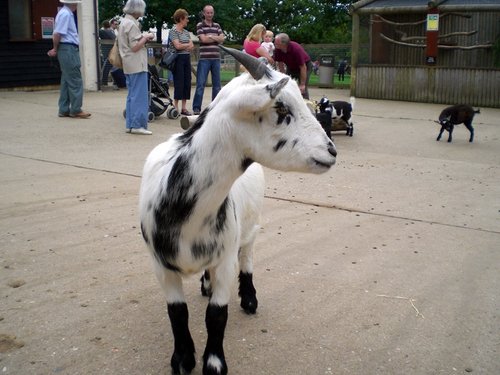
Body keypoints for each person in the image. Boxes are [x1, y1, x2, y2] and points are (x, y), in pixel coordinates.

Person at [47, 0, 90, 119]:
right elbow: (57, 34)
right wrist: (55, 49)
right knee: (75, 79)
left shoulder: (64, 13)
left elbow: (57, 34)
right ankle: (76, 109)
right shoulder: (66, 14)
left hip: (65, 48)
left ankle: (64, 109)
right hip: (68, 48)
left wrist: (56, 48)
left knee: (66, 79)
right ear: (73, 4)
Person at [118, 0, 155, 135]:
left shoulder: (123, 22)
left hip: (128, 63)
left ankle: (130, 124)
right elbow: (135, 46)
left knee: (132, 95)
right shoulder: (131, 24)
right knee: (139, 96)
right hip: (137, 63)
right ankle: (138, 125)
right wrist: (146, 37)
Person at [192, 5, 225, 115]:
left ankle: (215, 107)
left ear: (213, 13)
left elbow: (222, 39)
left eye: (211, 12)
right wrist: (215, 37)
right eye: (208, 12)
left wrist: (211, 36)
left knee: (217, 85)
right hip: (204, 59)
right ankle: (196, 108)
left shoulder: (217, 25)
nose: (210, 14)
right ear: (204, 13)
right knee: (200, 84)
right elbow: (203, 39)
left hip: (216, 58)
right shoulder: (200, 25)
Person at [169, 9, 194, 115]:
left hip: (186, 58)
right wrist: (186, 45)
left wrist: (185, 46)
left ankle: (184, 108)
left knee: (187, 81)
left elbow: (192, 46)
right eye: (186, 18)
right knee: (179, 82)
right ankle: (176, 107)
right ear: (181, 19)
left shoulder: (186, 32)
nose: (187, 20)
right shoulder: (173, 31)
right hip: (178, 59)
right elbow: (177, 46)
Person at [273, 33, 313, 99]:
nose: (274, 43)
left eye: (276, 42)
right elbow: (280, 64)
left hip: (305, 66)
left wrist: (302, 84)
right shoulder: (277, 49)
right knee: (285, 84)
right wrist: (283, 76)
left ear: (284, 43)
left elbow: (303, 67)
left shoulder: (296, 49)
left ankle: (305, 103)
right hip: (291, 66)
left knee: (302, 88)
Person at [99, 20, 116, 87]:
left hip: (107, 52)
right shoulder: (110, 32)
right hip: (110, 52)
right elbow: (114, 38)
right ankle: (105, 81)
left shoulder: (102, 31)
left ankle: (104, 81)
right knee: (109, 67)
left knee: (107, 67)